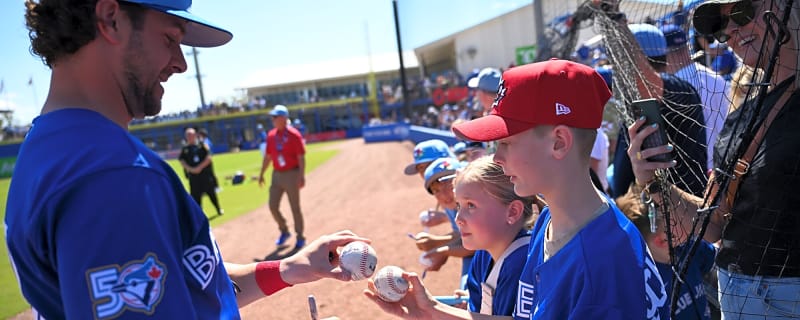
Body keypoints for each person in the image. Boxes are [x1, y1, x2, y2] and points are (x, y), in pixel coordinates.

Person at [5, 0, 365, 318]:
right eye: (170, 38)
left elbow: (188, 291)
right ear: (112, 19)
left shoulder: (48, 145)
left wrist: (288, 268)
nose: (180, 63)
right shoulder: (114, 175)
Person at [366, 59, 668, 319]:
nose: (496, 157)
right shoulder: (554, 220)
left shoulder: (601, 266)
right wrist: (431, 310)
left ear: (559, 142)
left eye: (506, 143)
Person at [629, 0, 800, 318]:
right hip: (736, 296)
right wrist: (654, 180)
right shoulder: (743, 117)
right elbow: (713, 225)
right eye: (721, 27)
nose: (732, 31)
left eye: (741, 12)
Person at [610, 23, 708, 198]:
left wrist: (616, 20)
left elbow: (650, 86)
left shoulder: (678, 90)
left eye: (620, 57)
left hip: (680, 212)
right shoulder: (634, 97)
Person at [456, 156, 538, 315]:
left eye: (471, 205)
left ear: (513, 212)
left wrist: (435, 310)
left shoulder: (524, 262)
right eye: (458, 206)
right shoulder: (483, 255)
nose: (458, 218)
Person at [616, 190, 716, 320]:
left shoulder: (689, 248)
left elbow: (713, 257)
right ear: (662, 240)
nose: (683, 220)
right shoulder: (650, 283)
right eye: (675, 222)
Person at [660, 23, 731, 174]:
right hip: (728, 163)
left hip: (700, 173)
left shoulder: (674, 90)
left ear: (663, 53)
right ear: (687, 47)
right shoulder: (716, 77)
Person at [414, 157, 475, 289]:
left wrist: (442, 249)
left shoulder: (476, 202)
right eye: (436, 190)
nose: (444, 194)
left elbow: (476, 245)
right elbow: (462, 234)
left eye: (450, 184)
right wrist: (436, 244)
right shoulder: (454, 205)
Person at [259, 104, 308, 248]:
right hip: (276, 175)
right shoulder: (271, 135)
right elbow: (268, 157)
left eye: (275, 117)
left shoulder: (294, 135)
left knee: (295, 207)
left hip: (292, 174)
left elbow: (301, 157)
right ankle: (284, 230)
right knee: (272, 206)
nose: (273, 119)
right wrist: (261, 174)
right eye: (272, 117)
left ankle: (300, 236)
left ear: (284, 118)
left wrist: (301, 176)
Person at [179, 127, 224, 215]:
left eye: (191, 135)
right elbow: (182, 160)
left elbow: (209, 157)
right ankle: (200, 215)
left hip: (205, 175)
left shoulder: (202, 145)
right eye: (187, 135)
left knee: (211, 194)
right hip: (194, 177)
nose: (189, 137)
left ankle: (218, 209)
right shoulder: (185, 149)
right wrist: (191, 169)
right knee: (196, 197)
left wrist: (199, 167)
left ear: (195, 135)